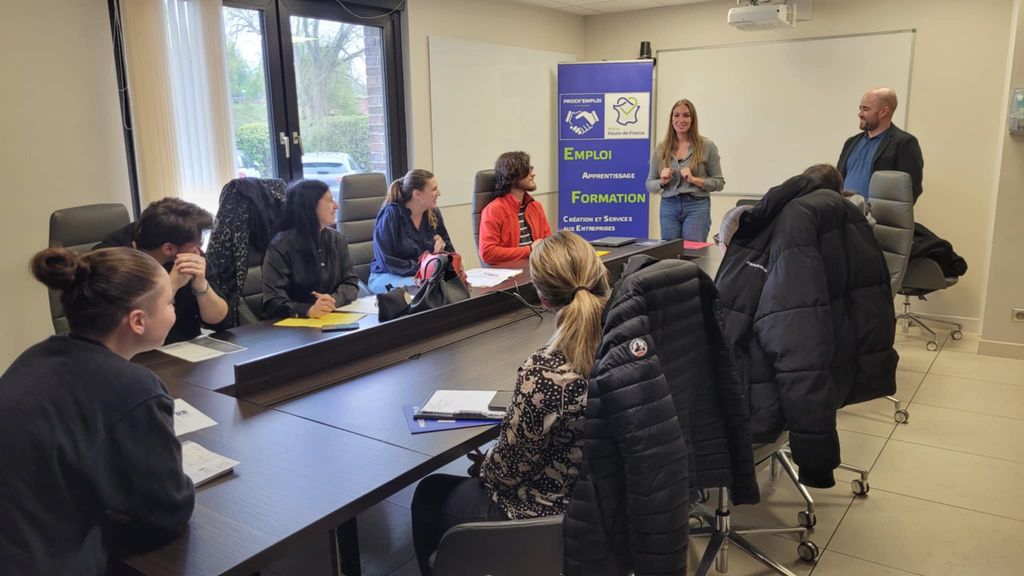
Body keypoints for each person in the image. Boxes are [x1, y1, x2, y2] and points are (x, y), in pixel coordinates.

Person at [411, 230, 609, 575]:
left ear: (543, 299)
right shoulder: (625, 346)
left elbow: (504, 475)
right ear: (601, 278)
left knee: (429, 493)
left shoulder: (543, 371)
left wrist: (486, 463)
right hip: (605, 506)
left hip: (543, 517)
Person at [0, 247, 195, 574]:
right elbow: (167, 511)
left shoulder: (35, 355)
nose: (173, 310)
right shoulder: (134, 387)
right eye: (170, 303)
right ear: (138, 321)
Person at [96, 197, 230, 344]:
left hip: (184, 346)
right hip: (135, 352)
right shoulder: (109, 261)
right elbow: (130, 329)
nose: (199, 249)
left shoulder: (189, 252)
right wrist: (171, 285)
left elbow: (221, 322)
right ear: (169, 249)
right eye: (197, 244)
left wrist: (201, 285)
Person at [262, 179, 360, 318]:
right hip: (294, 324)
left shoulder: (338, 240)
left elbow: (351, 282)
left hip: (331, 316)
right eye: (330, 200)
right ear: (310, 206)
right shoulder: (281, 246)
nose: (336, 206)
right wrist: (307, 310)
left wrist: (333, 300)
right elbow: (273, 301)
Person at [646, 98, 725, 242]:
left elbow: (719, 183)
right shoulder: (661, 148)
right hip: (669, 206)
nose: (681, 120)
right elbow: (650, 184)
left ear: (692, 119)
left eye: (686, 115)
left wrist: (695, 180)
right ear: (671, 120)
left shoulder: (707, 146)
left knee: (693, 251)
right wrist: (662, 182)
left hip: (697, 205)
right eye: (676, 115)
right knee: (669, 251)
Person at [368, 169, 455, 294]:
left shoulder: (434, 213)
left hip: (424, 276)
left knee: (449, 284)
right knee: (425, 288)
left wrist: (441, 252)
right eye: (434, 189)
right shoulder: (391, 214)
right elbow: (386, 261)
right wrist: (427, 265)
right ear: (417, 194)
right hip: (386, 275)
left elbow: (450, 253)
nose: (439, 193)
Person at [837, 87, 924, 203]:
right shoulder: (851, 142)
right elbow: (838, 179)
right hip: (844, 210)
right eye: (860, 108)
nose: (860, 114)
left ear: (883, 112)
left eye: (866, 109)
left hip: (877, 213)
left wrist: (886, 211)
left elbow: (910, 189)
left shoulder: (904, 143)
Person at [478, 151, 552, 266]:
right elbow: (487, 253)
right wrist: (529, 249)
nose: (533, 174)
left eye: (531, 169)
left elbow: (548, 242)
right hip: (511, 272)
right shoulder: (493, 210)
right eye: (527, 170)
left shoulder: (535, 206)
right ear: (513, 175)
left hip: (538, 268)